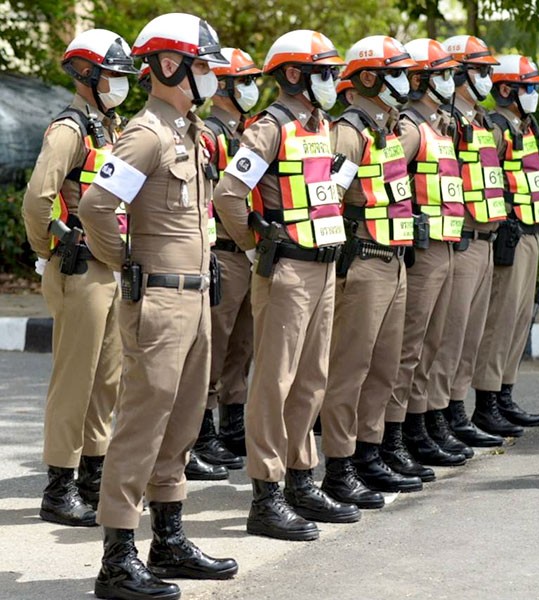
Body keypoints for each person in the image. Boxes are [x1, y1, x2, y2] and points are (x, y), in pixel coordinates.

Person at [79, 13, 238, 599]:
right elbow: (96, 206)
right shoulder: (146, 133)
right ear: (169, 66)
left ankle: (167, 539)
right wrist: (125, 264)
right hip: (161, 299)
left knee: (181, 423)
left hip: (195, 298)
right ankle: (116, 559)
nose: (210, 77)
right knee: (141, 426)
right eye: (201, 66)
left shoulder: (189, 131)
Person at [212, 29, 360, 541]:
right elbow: (229, 195)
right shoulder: (269, 128)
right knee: (273, 383)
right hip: (288, 270)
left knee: (311, 379)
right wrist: (255, 248)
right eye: (324, 72)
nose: (334, 81)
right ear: (294, 74)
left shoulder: (318, 125)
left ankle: (300, 478)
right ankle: (266, 494)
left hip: (322, 267)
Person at [21, 28, 137, 528]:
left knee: (106, 380)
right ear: (87, 74)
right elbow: (36, 200)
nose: (121, 84)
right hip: (79, 267)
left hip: (108, 266)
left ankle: (93, 474)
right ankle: (58, 486)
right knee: (75, 379)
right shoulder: (69, 128)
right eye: (112, 75)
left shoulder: (109, 129)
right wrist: (48, 251)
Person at [318, 35, 422, 509]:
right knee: (350, 369)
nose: (405, 82)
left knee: (383, 367)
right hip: (362, 261)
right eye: (396, 73)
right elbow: (328, 200)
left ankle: (368, 453)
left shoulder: (386, 128)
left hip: (393, 260)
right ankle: (339, 468)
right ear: (367, 79)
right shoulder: (348, 131)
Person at [416, 35, 516, 453]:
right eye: (478, 70)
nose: (487, 78)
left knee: (466, 336)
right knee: (443, 338)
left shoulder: (478, 121)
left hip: (482, 236)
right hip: (455, 240)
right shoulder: (441, 123)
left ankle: (454, 409)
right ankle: (434, 416)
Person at [188, 47, 263, 480]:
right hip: (224, 253)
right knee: (212, 346)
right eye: (246, 82)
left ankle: (232, 423)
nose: (254, 90)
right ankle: (200, 431)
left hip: (248, 249)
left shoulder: (244, 131)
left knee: (242, 344)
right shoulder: (209, 135)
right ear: (225, 87)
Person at [471, 55, 539, 430]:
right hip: (511, 234)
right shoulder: (496, 127)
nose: (534, 94)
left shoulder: (524, 125)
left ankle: (505, 394)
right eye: (529, 87)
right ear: (506, 90)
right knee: (500, 319)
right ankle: (486, 402)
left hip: (531, 231)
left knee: (519, 319)